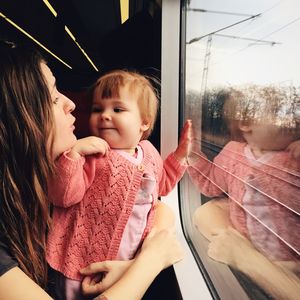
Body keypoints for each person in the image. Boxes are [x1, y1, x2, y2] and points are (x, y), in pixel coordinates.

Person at [0, 41, 184, 300]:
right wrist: (151, 260)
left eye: (118, 109)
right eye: (53, 97)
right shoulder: (84, 163)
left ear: (145, 123)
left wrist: (135, 262)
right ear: (14, 120)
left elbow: (158, 203)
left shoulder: (31, 186)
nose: (70, 104)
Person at [46, 69, 192, 299]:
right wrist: (73, 156)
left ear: (144, 122)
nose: (104, 115)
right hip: (81, 264)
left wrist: (179, 158)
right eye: (97, 109)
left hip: (126, 263)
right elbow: (63, 197)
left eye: (117, 109)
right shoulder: (91, 154)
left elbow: (162, 186)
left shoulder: (149, 153)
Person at [188, 86, 300, 298]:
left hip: (293, 264)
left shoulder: (294, 157)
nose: (291, 119)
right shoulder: (233, 153)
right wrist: (194, 157)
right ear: (246, 123)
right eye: (279, 112)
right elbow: (211, 184)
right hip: (249, 253)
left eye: (292, 112)